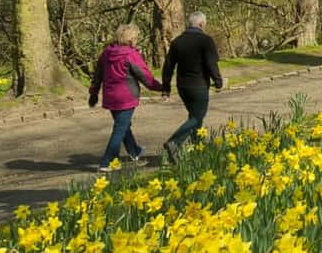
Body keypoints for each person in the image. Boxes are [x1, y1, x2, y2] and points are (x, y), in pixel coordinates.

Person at [87, 25, 166, 166]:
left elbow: (97, 75)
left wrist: (94, 93)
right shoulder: (131, 55)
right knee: (120, 128)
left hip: (110, 96)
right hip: (126, 96)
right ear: (131, 39)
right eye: (136, 38)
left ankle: (134, 151)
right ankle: (107, 162)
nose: (137, 41)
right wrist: (160, 87)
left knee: (123, 125)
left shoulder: (106, 53)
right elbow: (144, 76)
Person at [161, 10, 223, 156]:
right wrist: (218, 81)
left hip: (182, 86)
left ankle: (198, 150)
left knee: (194, 116)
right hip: (199, 85)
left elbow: (168, 66)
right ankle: (174, 142)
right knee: (197, 117)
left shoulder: (177, 41)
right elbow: (211, 63)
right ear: (201, 24)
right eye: (204, 24)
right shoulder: (206, 40)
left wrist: (166, 87)